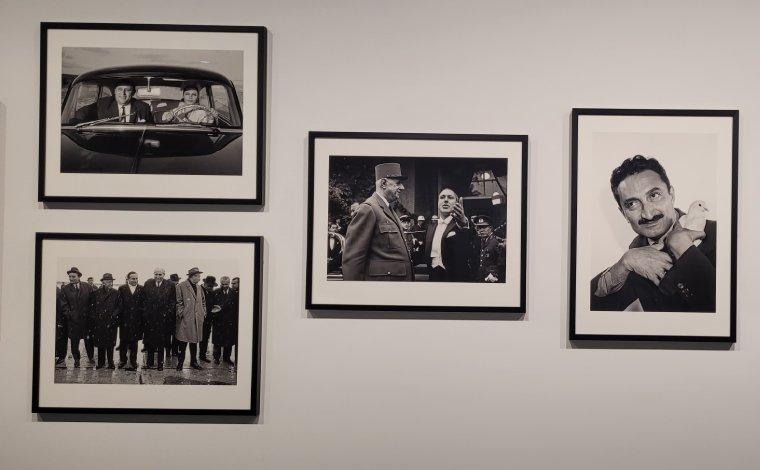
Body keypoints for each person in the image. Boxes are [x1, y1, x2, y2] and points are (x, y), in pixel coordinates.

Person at [590, 155, 716, 312]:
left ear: (671, 195)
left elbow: (727, 312)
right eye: (632, 204)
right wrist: (625, 262)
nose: (648, 214)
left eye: (654, 195)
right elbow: (583, 308)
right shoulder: (635, 257)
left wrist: (683, 249)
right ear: (624, 214)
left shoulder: (720, 235)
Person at [341, 163, 414, 281]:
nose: (402, 187)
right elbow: (353, 260)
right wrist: (354, 289)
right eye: (398, 183)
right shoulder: (368, 209)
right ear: (383, 183)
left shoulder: (389, 209)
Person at [424, 188, 476, 282]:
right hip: (433, 277)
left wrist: (463, 224)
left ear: (457, 203)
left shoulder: (461, 224)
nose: (446, 200)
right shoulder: (430, 227)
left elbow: (469, 244)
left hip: (455, 278)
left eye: (450, 197)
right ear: (438, 202)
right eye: (442, 197)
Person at [74, 79, 153, 124]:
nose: (123, 93)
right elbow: (81, 113)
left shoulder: (143, 107)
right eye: (120, 89)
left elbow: (150, 127)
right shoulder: (103, 104)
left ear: (133, 93)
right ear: (115, 91)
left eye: (127, 90)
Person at [59, 267, 94, 368]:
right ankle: (76, 360)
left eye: (73, 276)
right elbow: (63, 305)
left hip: (86, 321)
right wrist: (70, 314)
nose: (71, 278)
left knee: (89, 341)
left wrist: (91, 315)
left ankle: (91, 358)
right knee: (74, 342)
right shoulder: (65, 289)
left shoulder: (88, 287)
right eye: (69, 277)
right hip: (73, 321)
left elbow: (92, 302)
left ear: (79, 276)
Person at [142, 268, 175, 371]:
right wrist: (146, 312)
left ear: (164, 274)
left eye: (160, 274)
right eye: (156, 274)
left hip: (163, 319)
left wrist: (167, 313)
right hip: (150, 318)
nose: (157, 276)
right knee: (150, 341)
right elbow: (144, 299)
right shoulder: (148, 283)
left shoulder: (170, 285)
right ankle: (149, 362)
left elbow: (173, 301)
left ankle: (160, 364)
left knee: (161, 342)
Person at [175, 267, 207, 370]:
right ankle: (180, 363)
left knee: (194, 342)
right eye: (197, 276)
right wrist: (182, 313)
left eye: (199, 276)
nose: (199, 278)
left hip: (197, 319)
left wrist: (203, 312)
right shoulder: (181, 286)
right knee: (183, 342)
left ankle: (194, 362)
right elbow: (178, 301)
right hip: (186, 318)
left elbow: (203, 301)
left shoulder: (199, 287)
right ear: (192, 276)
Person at [87, 273, 120, 369]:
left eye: (111, 281)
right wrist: (95, 317)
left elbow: (119, 307)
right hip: (99, 322)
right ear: (102, 282)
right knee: (100, 343)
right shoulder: (95, 293)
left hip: (111, 322)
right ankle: (101, 363)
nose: (110, 283)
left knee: (110, 343)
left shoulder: (116, 293)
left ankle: (110, 362)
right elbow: (91, 307)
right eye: (107, 281)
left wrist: (113, 315)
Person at [117, 271, 144, 371]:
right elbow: (119, 304)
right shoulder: (122, 288)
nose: (135, 280)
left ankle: (133, 361)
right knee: (123, 341)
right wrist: (120, 318)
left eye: (136, 278)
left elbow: (143, 304)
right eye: (133, 278)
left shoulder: (141, 289)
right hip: (125, 320)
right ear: (128, 279)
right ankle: (122, 360)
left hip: (136, 320)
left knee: (134, 342)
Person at [212, 276, 238, 366]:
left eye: (226, 284)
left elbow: (235, 308)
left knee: (228, 341)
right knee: (217, 342)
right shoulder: (215, 292)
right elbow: (211, 306)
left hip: (229, 321)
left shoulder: (233, 293)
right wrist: (215, 311)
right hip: (218, 321)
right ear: (220, 283)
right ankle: (216, 358)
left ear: (229, 283)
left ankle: (227, 358)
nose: (224, 286)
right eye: (222, 284)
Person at [473, 216, 506, 283]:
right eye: (479, 227)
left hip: (492, 279)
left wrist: (494, 274)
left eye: (484, 227)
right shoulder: (481, 241)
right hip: (481, 277)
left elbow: (502, 263)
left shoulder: (496, 242)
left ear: (490, 228)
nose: (481, 230)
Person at [199, 275, 218, 362]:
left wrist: (215, 308)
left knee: (205, 338)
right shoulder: (198, 290)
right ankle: (193, 360)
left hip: (208, 320)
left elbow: (213, 304)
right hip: (198, 319)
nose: (211, 288)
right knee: (194, 339)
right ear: (205, 283)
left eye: (212, 286)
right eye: (209, 286)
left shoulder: (212, 292)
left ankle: (202, 356)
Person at [54, 286, 67, 366]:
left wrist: (60, 321)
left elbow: (61, 308)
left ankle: (61, 357)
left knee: (60, 338)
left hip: (59, 319)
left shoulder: (58, 291)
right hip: (54, 319)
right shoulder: (57, 290)